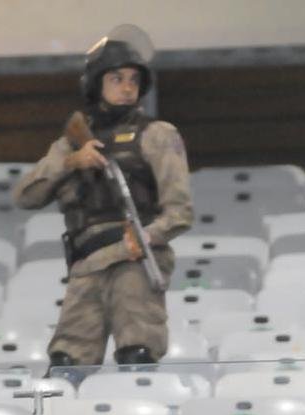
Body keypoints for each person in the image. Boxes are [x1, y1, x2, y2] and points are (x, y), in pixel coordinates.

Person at [13, 24, 193, 371]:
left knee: (136, 354)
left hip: (134, 256)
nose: (127, 88)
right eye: (116, 79)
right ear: (96, 84)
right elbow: (26, 196)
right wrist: (70, 163)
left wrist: (144, 238)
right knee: (67, 363)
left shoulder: (157, 135)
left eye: (133, 80)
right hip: (86, 262)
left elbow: (180, 212)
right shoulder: (72, 143)